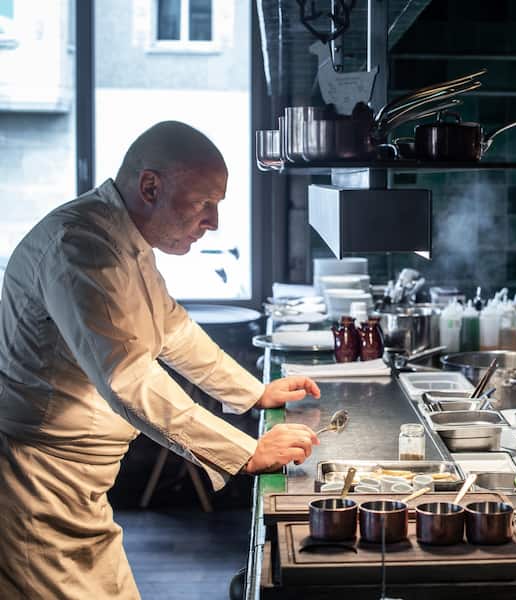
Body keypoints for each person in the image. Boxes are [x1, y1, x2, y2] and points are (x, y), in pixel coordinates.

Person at [0, 121, 322, 599]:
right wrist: (244, 452)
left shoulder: (122, 236)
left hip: (78, 488)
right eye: (205, 203)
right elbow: (127, 377)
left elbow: (171, 328)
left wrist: (253, 393)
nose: (213, 222)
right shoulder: (80, 248)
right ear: (150, 186)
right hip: (37, 488)